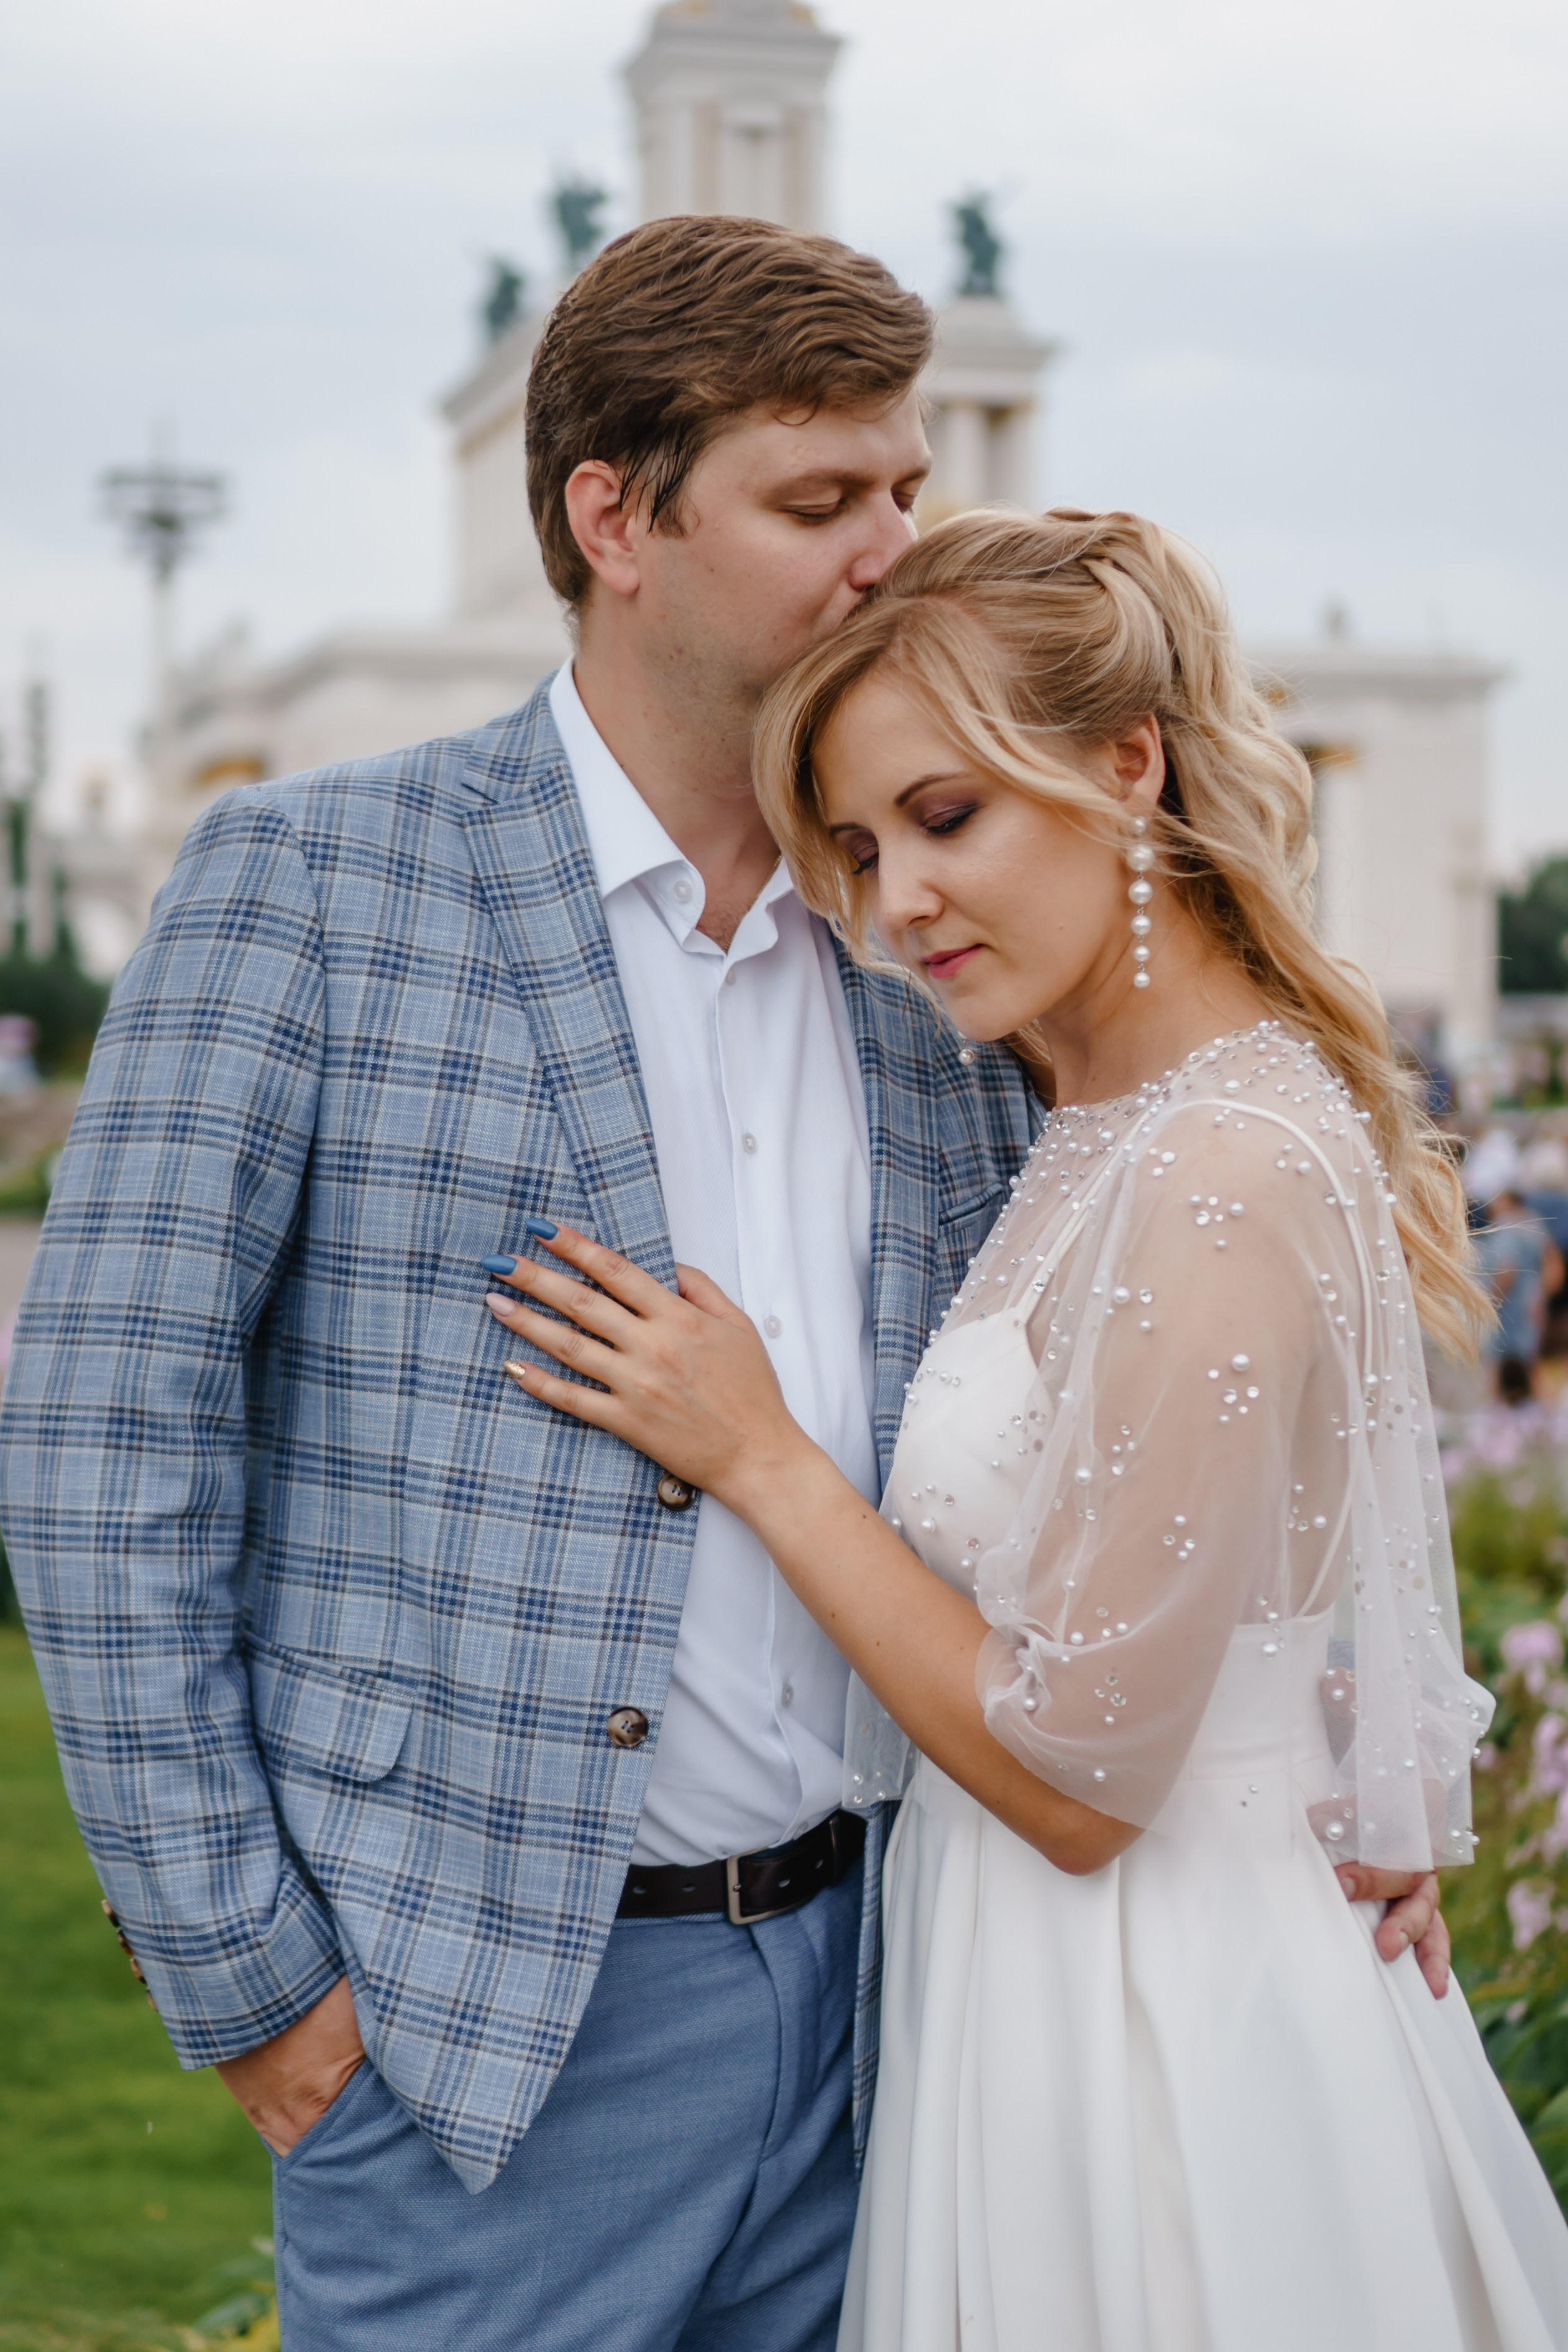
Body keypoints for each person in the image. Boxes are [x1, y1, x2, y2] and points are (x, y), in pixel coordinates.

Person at [0, 224, 1443, 2350]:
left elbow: (1134, 1377)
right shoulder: (310, 887)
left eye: (903, 487)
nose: (887, 553)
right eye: (815, 500)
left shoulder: (934, 949)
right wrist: (260, 1997)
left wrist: (1317, 1726)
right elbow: (107, 1446)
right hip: (484, 2042)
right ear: (614, 517)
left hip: (906, 1997)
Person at [482, 508, 1568, 2350]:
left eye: (943, 813)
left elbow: (1079, 1778)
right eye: (856, 843)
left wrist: (755, 1455)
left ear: (1124, 763)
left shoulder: (1217, 1155)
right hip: (1041, 1968)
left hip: (1153, 2007)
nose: (897, 899)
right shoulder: (1096, 1120)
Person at [1475, 1184, 1562, 1404]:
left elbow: (1507, 1270)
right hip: (1530, 1303)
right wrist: (1541, 1296)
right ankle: (1540, 1412)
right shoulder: (1535, 1225)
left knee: (1497, 1361)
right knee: (1530, 1360)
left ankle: (1495, 1410)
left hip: (1509, 1305)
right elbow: (1554, 1265)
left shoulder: (1507, 1228)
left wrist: (1490, 1302)